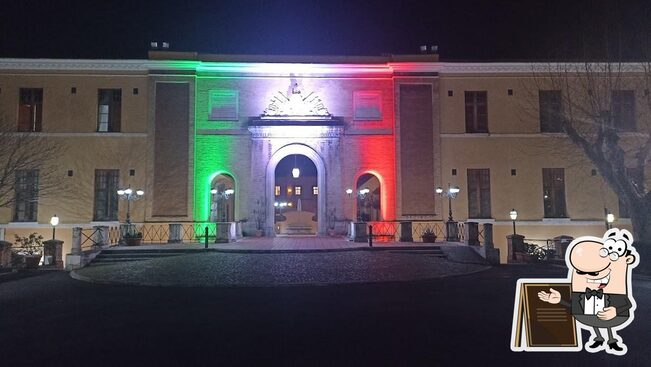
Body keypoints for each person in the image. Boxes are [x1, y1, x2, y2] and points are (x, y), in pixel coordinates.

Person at [538, 228, 639, 356]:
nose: (591, 276)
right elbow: (574, 307)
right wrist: (559, 300)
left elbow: (627, 303)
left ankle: (611, 340)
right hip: (589, 317)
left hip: (612, 317)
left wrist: (616, 310)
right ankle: (598, 338)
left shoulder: (616, 289)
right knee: (595, 321)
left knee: (606, 321)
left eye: (595, 273)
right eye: (580, 272)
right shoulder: (581, 292)